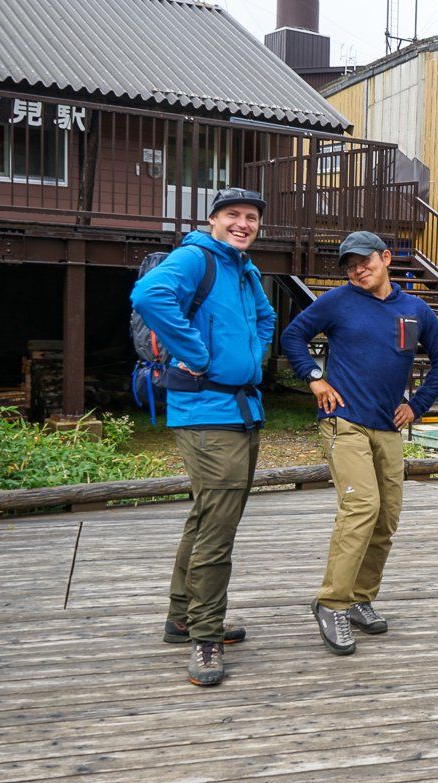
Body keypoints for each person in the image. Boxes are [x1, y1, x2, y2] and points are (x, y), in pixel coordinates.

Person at [281, 231, 438, 656]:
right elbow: (292, 336)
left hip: (388, 425)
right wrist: (314, 377)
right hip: (344, 422)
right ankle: (331, 602)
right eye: (349, 265)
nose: (357, 270)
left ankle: (360, 597)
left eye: (364, 261)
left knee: (387, 516)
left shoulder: (415, 310)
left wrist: (417, 406)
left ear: (386, 258)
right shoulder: (338, 301)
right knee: (361, 506)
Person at [130, 187, 276, 687]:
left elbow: (267, 316)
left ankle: (181, 617)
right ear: (212, 220)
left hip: (240, 408)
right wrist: (195, 349)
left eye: (251, 217)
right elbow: (149, 296)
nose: (243, 223)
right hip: (206, 410)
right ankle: (206, 639)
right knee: (218, 529)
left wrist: (254, 355)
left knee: (205, 515)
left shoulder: (243, 268)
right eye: (233, 215)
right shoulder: (196, 258)